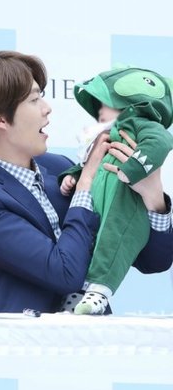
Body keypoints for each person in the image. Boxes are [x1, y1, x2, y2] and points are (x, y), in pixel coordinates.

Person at [0, 51, 173, 314]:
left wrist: (153, 196)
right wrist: (85, 185)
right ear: (0, 119)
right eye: (34, 99)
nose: (47, 108)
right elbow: (64, 272)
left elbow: (154, 261)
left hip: (97, 336)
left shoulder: (60, 168)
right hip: (25, 337)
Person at [60, 66, 173, 315]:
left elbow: (161, 142)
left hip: (123, 209)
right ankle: (86, 292)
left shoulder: (141, 126)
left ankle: (99, 291)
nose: (99, 111)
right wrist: (74, 177)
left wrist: (151, 193)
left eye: (104, 104)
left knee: (113, 240)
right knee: (98, 243)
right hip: (97, 213)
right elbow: (89, 165)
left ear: (130, 103)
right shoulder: (106, 137)